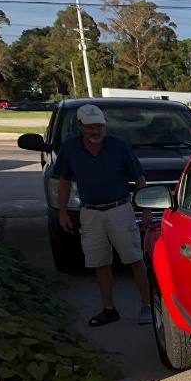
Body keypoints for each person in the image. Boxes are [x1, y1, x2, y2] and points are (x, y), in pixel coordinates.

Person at [54, 103, 153, 326]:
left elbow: (139, 178)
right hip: (90, 213)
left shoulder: (119, 146)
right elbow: (64, 181)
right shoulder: (70, 149)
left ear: (105, 125)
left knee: (134, 258)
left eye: (99, 126)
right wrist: (62, 212)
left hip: (120, 209)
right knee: (100, 262)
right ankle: (109, 309)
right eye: (90, 127)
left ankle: (147, 306)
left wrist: (145, 208)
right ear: (80, 126)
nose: (95, 131)